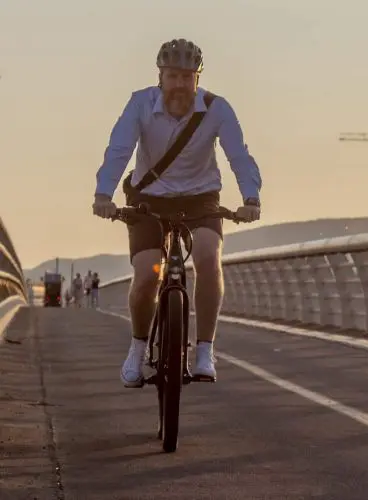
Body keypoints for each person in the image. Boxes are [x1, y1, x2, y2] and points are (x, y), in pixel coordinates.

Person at [92, 38, 262, 388]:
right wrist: (103, 193)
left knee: (207, 257)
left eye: (187, 77)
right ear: (160, 77)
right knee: (146, 276)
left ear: (197, 79)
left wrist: (251, 198)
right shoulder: (141, 104)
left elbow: (239, 155)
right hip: (148, 201)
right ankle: (137, 350)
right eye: (173, 76)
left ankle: (204, 350)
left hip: (200, 199)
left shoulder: (217, 109)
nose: (180, 85)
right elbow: (119, 148)